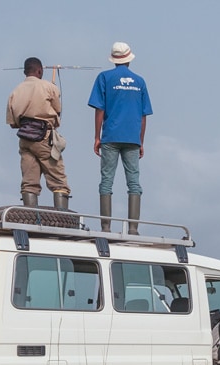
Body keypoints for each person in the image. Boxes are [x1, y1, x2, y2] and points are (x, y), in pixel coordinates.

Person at [88, 42, 153, 233]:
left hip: (110, 136)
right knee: (133, 181)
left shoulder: (104, 78)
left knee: (106, 180)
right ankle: (133, 228)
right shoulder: (140, 81)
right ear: (129, 59)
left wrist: (96, 136)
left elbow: (99, 109)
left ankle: (106, 227)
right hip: (132, 137)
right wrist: (141, 140)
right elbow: (143, 115)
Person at [6, 57, 71, 210]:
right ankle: (62, 219)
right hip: (44, 138)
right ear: (40, 71)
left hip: (25, 139)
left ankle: (30, 219)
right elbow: (57, 111)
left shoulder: (15, 92)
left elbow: (13, 123)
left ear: (24, 72)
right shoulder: (49, 87)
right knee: (58, 180)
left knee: (29, 181)